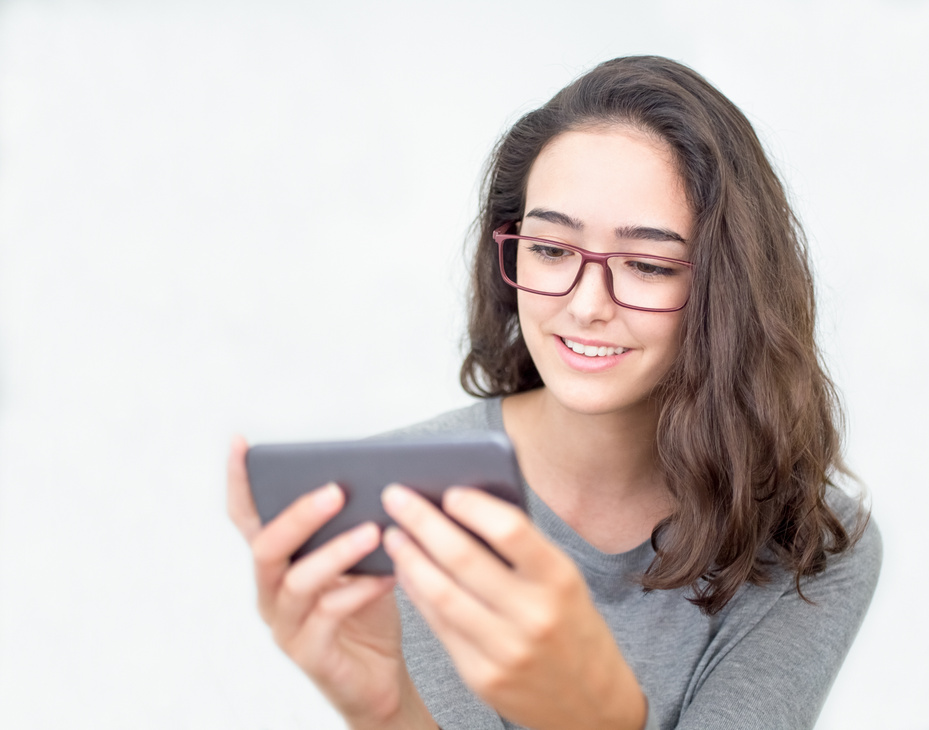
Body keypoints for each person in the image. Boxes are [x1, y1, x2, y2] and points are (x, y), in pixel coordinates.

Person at [227, 55, 882, 730]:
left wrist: (588, 713)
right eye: (549, 250)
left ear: (728, 287)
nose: (585, 305)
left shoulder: (809, 548)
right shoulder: (395, 502)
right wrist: (387, 711)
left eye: (647, 265)